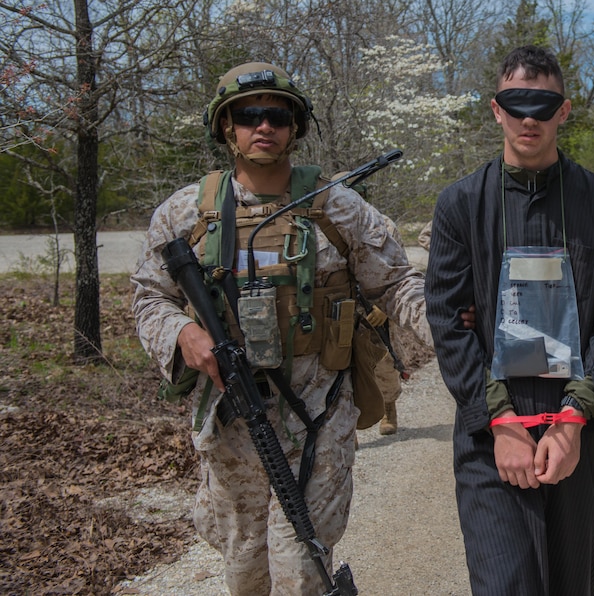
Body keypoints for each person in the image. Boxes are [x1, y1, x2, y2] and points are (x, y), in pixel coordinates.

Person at [131, 62, 431, 594]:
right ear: (227, 127)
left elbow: (395, 286)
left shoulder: (337, 204)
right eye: (247, 116)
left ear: (295, 126)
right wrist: (182, 334)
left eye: (277, 115)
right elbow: (151, 296)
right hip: (231, 416)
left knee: (303, 566)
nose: (263, 126)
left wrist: (461, 334)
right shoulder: (187, 212)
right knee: (245, 564)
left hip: (318, 406)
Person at [424, 44, 594, 595]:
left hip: (579, 427)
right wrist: (499, 423)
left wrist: (572, 422)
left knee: (578, 583)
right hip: (493, 429)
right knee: (506, 584)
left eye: (543, 105)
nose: (529, 118)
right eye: (515, 103)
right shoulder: (459, 205)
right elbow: (448, 323)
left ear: (563, 112)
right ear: (495, 109)